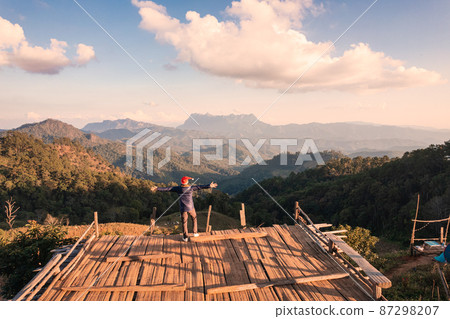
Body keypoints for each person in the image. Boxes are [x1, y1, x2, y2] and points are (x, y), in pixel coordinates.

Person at [151, 176, 218, 242]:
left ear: (181, 182)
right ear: (187, 182)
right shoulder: (191, 188)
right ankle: (195, 233)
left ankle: (185, 237)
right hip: (191, 207)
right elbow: (200, 187)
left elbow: (167, 189)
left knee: (184, 222)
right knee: (194, 218)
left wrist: (157, 188)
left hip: (183, 208)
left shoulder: (178, 188)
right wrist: (209, 185)